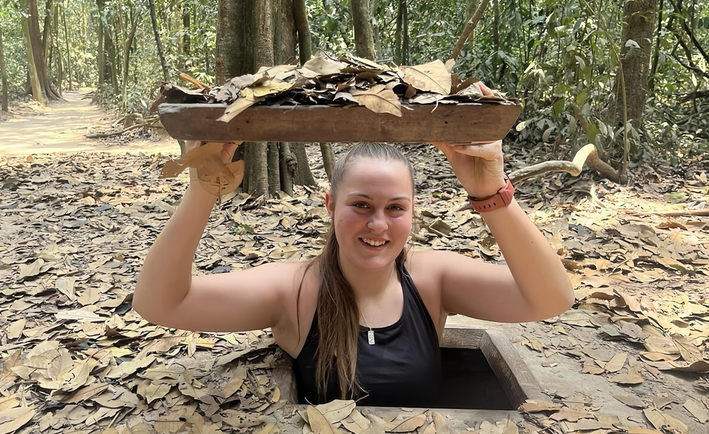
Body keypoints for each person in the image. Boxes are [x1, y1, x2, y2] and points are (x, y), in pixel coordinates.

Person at [133, 83, 575, 407]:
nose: (378, 224)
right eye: (361, 204)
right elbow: (160, 303)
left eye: (396, 208)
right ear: (330, 204)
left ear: (413, 211)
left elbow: (551, 299)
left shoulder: (432, 277)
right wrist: (202, 188)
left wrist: (491, 194)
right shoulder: (295, 288)